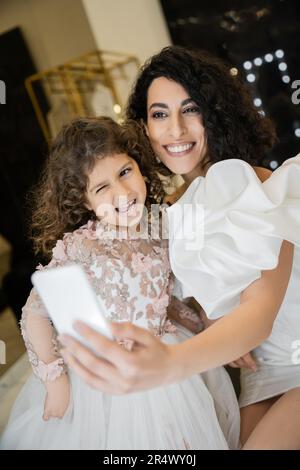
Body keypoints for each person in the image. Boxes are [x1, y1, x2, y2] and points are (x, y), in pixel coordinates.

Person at [59, 46, 300, 450]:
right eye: (159, 114)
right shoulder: (169, 212)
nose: (175, 130)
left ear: (216, 113)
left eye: (190, 109)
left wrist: (169, 364)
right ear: (144, 128)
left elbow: (258, 314)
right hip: (259, 373)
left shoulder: (254, 185)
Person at [0, 116, 240, 450]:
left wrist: (209, 327)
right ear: (84, 201)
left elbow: (166, 296)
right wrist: (56, 382)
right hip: (112, 374)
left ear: (139, 166)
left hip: (165, 353)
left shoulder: (162, 226)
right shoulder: (85, 246)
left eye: (125, 172)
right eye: (102, 188)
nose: (122, 193)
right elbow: (35, 315)